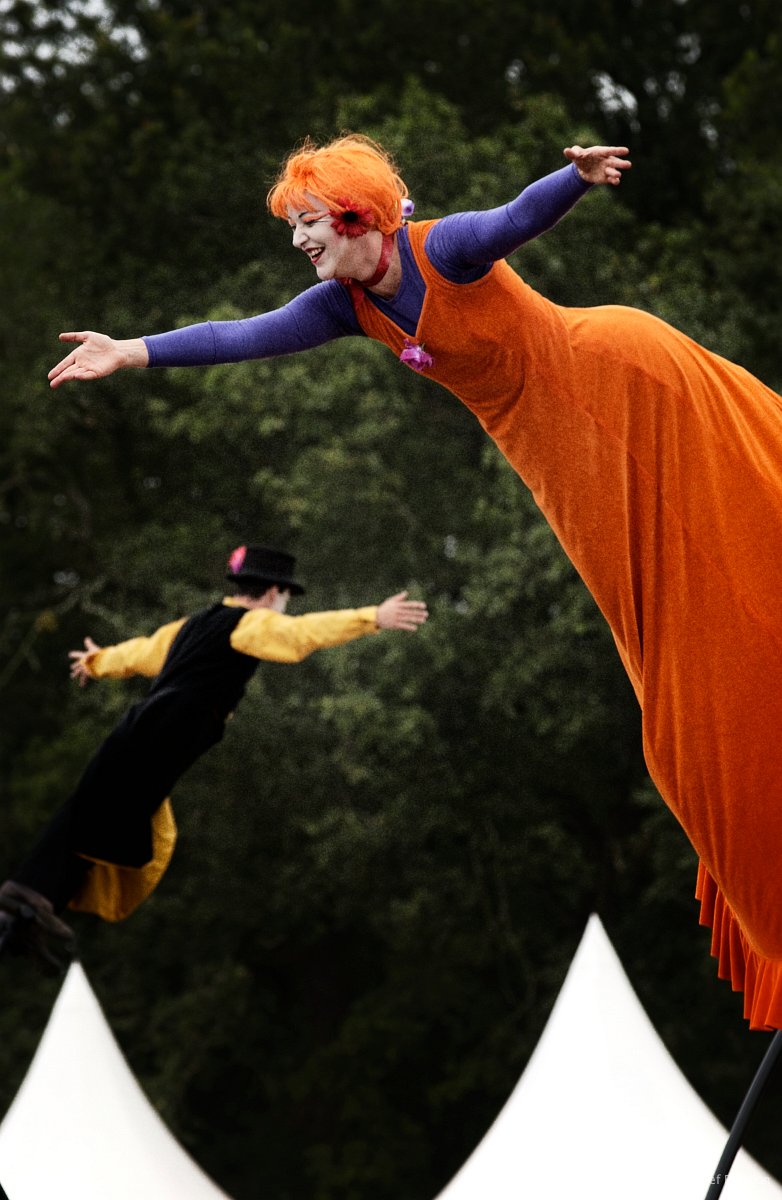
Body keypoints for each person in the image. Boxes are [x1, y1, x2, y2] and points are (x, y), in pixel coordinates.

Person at [45, 134, 782, 1030]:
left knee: (729, 558)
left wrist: (576, 178)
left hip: (623, 384)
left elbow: (514, 218)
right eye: (294, 227)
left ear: (359, 217)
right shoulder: (348, 305)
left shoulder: (444, 249)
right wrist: (132, 351)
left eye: (309, 223)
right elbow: (240, 335)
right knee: (665, 656)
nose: (298, 241)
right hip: (559, 453)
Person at [0, 543, 428, 970]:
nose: (285, 606)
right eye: (286, 596)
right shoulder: (250, 624)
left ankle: (28, 917)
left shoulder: (191, 625)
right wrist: (373, 617)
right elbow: (300, 636)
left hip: (147, 729)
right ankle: (27, 896)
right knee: (99, 815)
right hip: (165, 730)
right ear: (274, 591)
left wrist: (97, 662)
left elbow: (141, 652)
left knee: (109, 820)